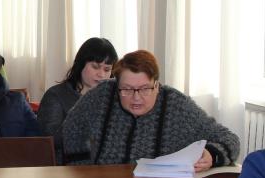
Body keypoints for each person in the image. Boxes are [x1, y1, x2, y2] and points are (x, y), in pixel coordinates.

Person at [62, 50, 239, 169]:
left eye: (145, 89)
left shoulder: (176, 105)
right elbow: (72, 125)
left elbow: (229, 139)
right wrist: (82, 166)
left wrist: (212, 155)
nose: (136, 97)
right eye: (127, 89)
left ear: (156, 85)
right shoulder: (103, 95)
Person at [37, 37, 118, 160]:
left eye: (107, 69)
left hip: (107, 163)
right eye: (95, 67)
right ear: (81, 64)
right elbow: (49, 141)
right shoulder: (56, 95)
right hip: (66, 165)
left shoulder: (114, 97)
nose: (101, 74)